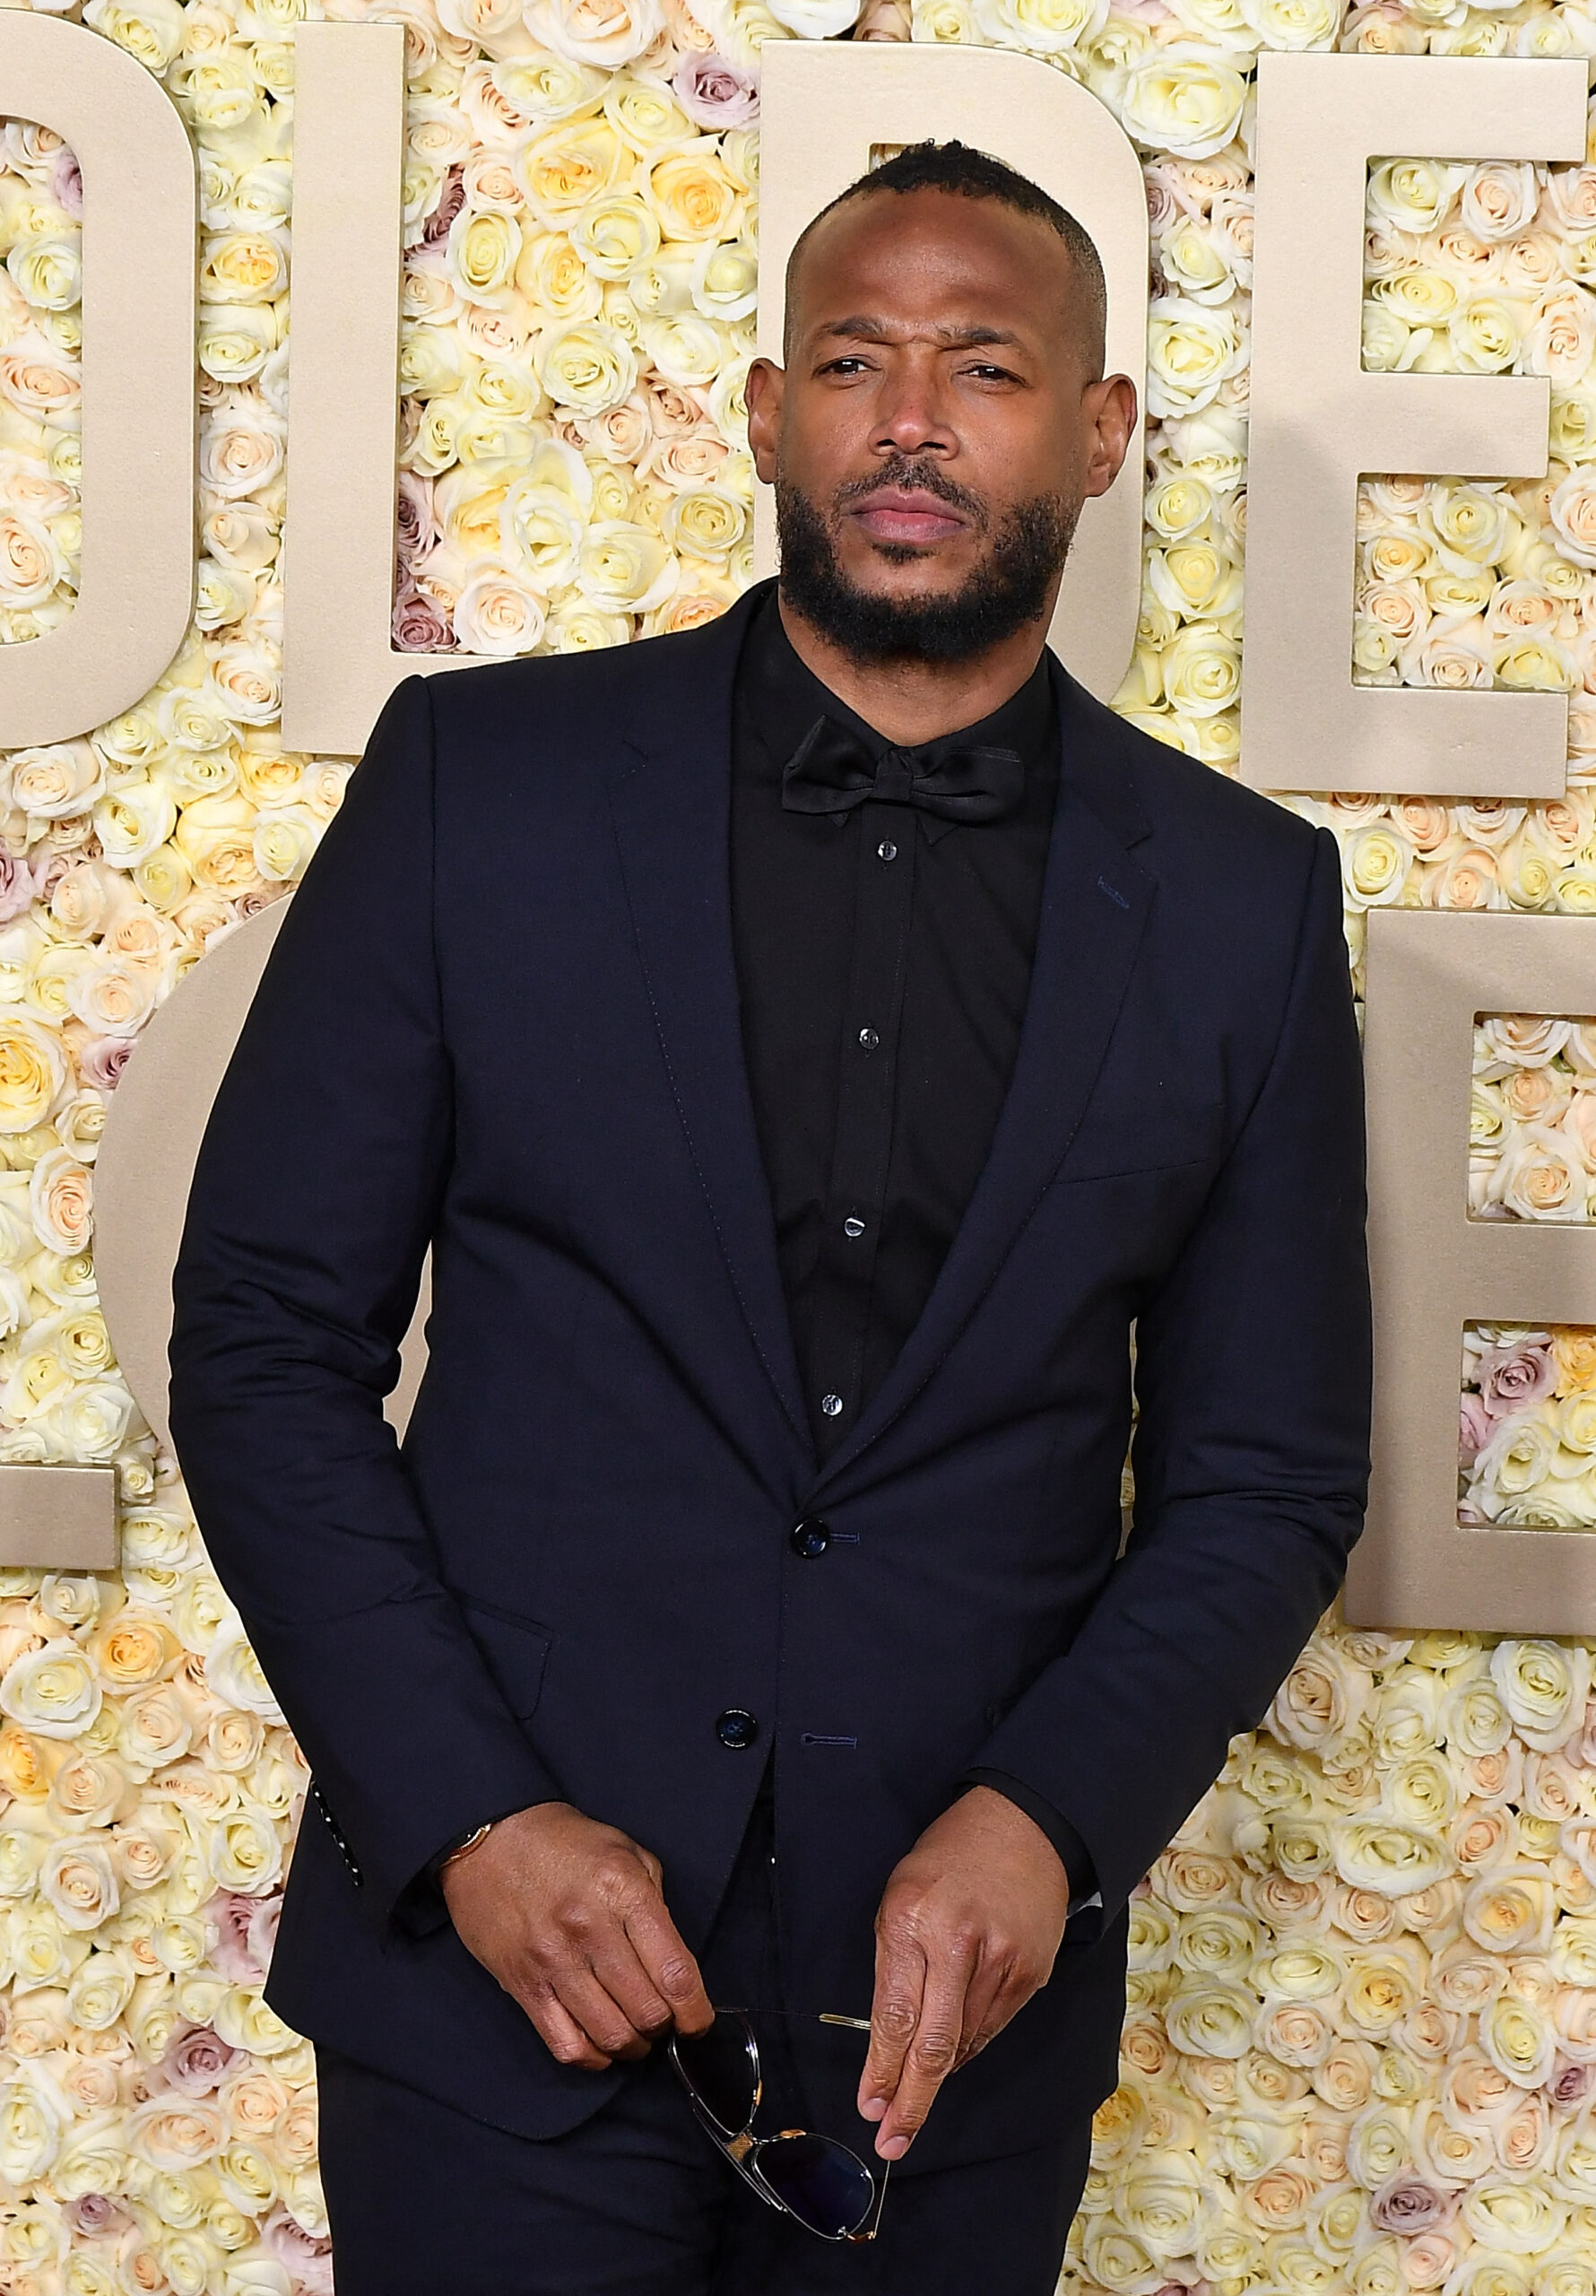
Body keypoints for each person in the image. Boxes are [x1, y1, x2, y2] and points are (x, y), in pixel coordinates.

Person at [166, 140, 1372, 2295]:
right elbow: (264, 1335)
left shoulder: (1240, 902)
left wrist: (1051, 1820)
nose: (908, 417)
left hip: (948, 2044)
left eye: (982, 366)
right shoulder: (477, 787)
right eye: (850, 358)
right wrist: (468, 1816)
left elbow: (1262, 1472)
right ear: (762, 413)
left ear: (1096, 436)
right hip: (491, 1996)